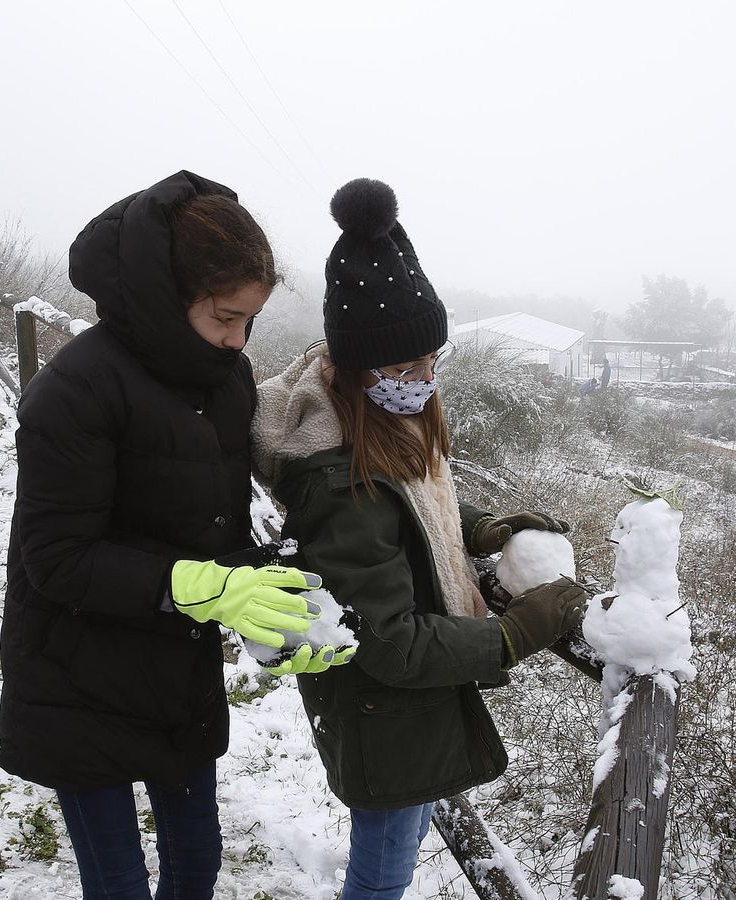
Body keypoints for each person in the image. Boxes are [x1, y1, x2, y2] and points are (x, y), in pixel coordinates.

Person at [0, 171, 349, 900]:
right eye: (224, 317)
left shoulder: (224, 381)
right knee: (119, 883)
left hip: (170, 667)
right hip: (76, 671)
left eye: (248, 321)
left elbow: (210, 516)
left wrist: (262, 583)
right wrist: (202, 586)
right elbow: (57, 559)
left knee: (195, 865)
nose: (237, 339)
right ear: (166, 295)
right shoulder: (75, 390)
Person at [251, 178, 588, 900]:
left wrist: (482, 527)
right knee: (383, 874)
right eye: (403, 368)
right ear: (355, 367)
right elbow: (393, 644)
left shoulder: (379, 423)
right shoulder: (342, 479)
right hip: (386, 709)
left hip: (395, 712)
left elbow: (417, 503)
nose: (423, 380)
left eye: (431, 361)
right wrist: (515, 634)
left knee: (388, 856)